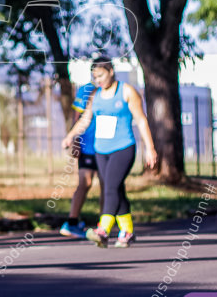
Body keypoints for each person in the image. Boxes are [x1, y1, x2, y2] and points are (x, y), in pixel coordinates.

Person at [62, 57, 157, 248]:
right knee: (117, 188)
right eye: (95, 77)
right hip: (100, 150)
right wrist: (70, 136)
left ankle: (103, 229)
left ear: (111, 71)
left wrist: (150, 148)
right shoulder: (95, 95)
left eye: (101, 75)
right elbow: (85, 119)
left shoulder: (127, 91)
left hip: (123, 148)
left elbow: (141, 120)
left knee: (110, 188)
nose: (98, 80)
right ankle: (127, 231)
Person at [60, 80, 98, 238]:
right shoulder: (86, 90)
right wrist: (75, 139)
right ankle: (72, 222)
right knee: (85, 182)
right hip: (88, 144)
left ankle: (104, 226)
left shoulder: (117, 90)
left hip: (108, 146)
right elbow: (78, 117)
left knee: (109, 185)